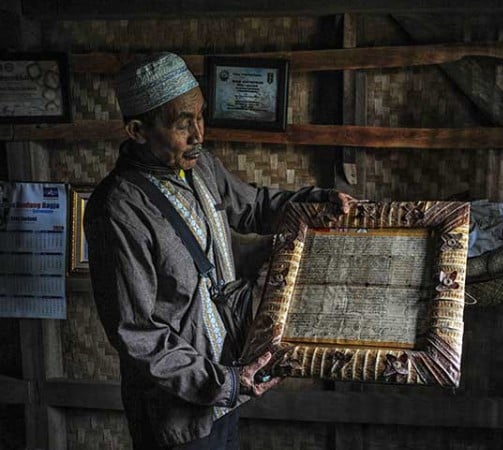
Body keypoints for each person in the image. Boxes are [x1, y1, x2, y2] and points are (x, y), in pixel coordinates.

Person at [84, 52, 354, 449]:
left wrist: (320, 202)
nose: (199, 134)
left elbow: (256, 207)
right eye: (182, 124)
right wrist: (223, 383)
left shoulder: (201, 167)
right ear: (138, 130)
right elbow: (137, 333)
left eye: (201, 117)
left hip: (227, 387)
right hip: (178, 412)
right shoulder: (117, 209)